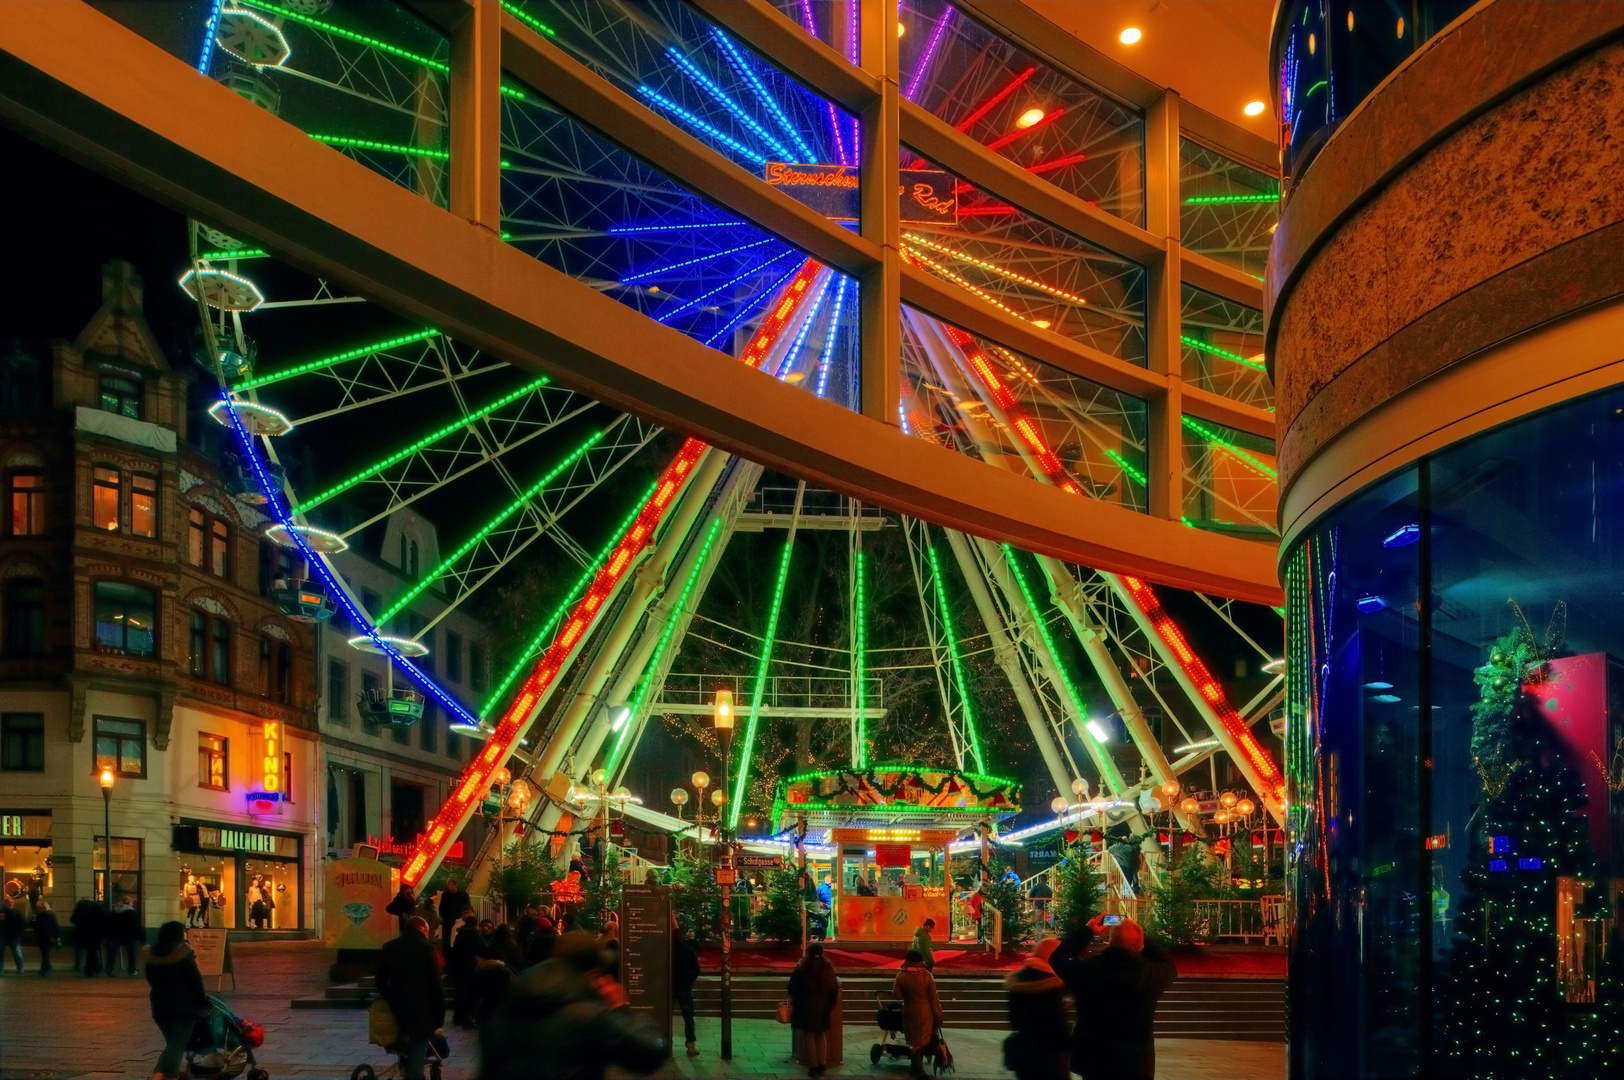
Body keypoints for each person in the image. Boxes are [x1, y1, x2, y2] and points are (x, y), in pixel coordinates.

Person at [479, 931, 667, 1080]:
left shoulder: (509, 1003)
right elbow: (649, 1053)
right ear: (590, 972)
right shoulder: (588, 1014)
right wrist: (620, 1008)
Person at [1050, 915, 1176, 1080]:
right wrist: (1135, 930)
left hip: (1095, 1061)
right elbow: (1167, 963)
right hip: (1136, 1064)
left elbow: (1058, 957)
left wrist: (1088, 930)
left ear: (1110, 942)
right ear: (1141, 944)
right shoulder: (1151, 975)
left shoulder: (1088, 970)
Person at [375, 916, 446, 1080]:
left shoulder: (389, 947)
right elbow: (436, 985)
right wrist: (439, 1015)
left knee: (402, 1043)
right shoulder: (427, 949)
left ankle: (406, 1066)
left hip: (398, 1008)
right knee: (418, 1044)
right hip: (422, 1009)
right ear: (421, 929)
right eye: (427, 931)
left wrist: (391, 997)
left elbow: (379, 980)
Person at [143, 921, 211, 1080]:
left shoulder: (151, 954)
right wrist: (203, 1000)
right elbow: (195, 980)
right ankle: (170, 1075)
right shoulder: (183, 952)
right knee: (177, 1043)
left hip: (159, 1004)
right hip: (184, 1006)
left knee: (173, 1043)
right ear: (178, 934)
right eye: (184, 931)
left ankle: (158, 1075)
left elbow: (151, 979)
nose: (185, 934)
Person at [1004, 937, 1069, 1080]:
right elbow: (1057, 1024)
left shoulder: (1017, 979)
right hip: (1049, 1054)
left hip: (1024, 1051)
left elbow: (1014, 1019)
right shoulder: (1051, 982)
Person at [788, 942, 838, 1078]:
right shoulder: (827, 966)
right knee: (820, 1035)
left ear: (808, 952)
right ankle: (822, 1064)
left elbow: (792, 987)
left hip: (805, 1006)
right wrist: (830, 1004)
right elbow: (834, 987)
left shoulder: (802, 966)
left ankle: (813, 1066)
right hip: (823, 1007)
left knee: (808, 1035)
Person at [892, 948, 942, 1079]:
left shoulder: (900, 975)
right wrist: (938, 1015)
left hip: (909, 1010)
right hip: (925, 1012)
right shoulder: (927, 976)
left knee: (914, 1040)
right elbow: (934, 998)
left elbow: (896, 995)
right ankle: (917, 1070)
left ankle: (915, 1068)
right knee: (922, 1040)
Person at [449, 910, 485, 1027]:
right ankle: (469, 1016)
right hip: (472, 968)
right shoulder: (476, 935)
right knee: (471, 994)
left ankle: (458, 1016)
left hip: (460, 969)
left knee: (460, 992)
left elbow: (454, 952)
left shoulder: (460, 935)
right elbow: (483, 950)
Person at [672, 922, 701, 1057]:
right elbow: (696, 970)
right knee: (688, 1016)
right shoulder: (688, 950)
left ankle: (667, 1043)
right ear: (682, 936)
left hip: (669, 986)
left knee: (665, 1014)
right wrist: (688, 981)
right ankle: (690, 1045)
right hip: (684, 985)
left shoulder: (666, 950)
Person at [470, 946, 516, 1029]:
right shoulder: (506, 971)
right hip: (503, 1012)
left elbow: (475, 994)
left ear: (483, 958)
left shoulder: (480, 973)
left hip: (486, 1012)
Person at [437, 878, 471, 959]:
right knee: (447, 943)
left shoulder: (463, 895)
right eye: (448, 885)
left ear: (456, 885)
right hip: (448, 921)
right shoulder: (445, 895)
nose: (449, 887)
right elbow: (442, 908)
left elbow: (467, 907)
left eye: (451, 885)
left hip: (459, 921)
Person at [70, 896, 104, 975]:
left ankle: (77, 965)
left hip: (81, 932)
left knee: (79, 950)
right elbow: (102, 920)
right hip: (94, 933)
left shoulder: (79, 908)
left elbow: (72, 919)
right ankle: (93, 968)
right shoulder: (96, 907)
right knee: (92, 951)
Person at [110, 896, 141, 975]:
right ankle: (132, 970)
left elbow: (110, 923)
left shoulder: (114, 911)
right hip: (129, 936)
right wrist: (137, 937)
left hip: (116, 935)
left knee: (112, 953)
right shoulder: (131, 912)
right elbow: (135, 925)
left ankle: (110, 969)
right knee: (131, 954)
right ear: (130, 903)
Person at [32, 899, 58, 975]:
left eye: (40, 908)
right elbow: (34, 925)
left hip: (48, 937)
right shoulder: (37, 915)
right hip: (40, 936)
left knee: (45, 953)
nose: (39, 909)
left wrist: (56, 936)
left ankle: (45, 968)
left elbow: (55, 926)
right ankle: (47, 967)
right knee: (44, 953)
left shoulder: (50, 914)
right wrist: (32, 921)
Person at [2, 896, 26, 974]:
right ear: (4, 904)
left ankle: (20, 968)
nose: (10, 904)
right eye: (8, 903)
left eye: (11, 902)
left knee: (17, 953)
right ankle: (0, 969)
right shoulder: (1, 912)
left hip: (14, 936)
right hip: (2, 935)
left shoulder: (17, 913)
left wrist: (18, 933)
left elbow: (23, 923)